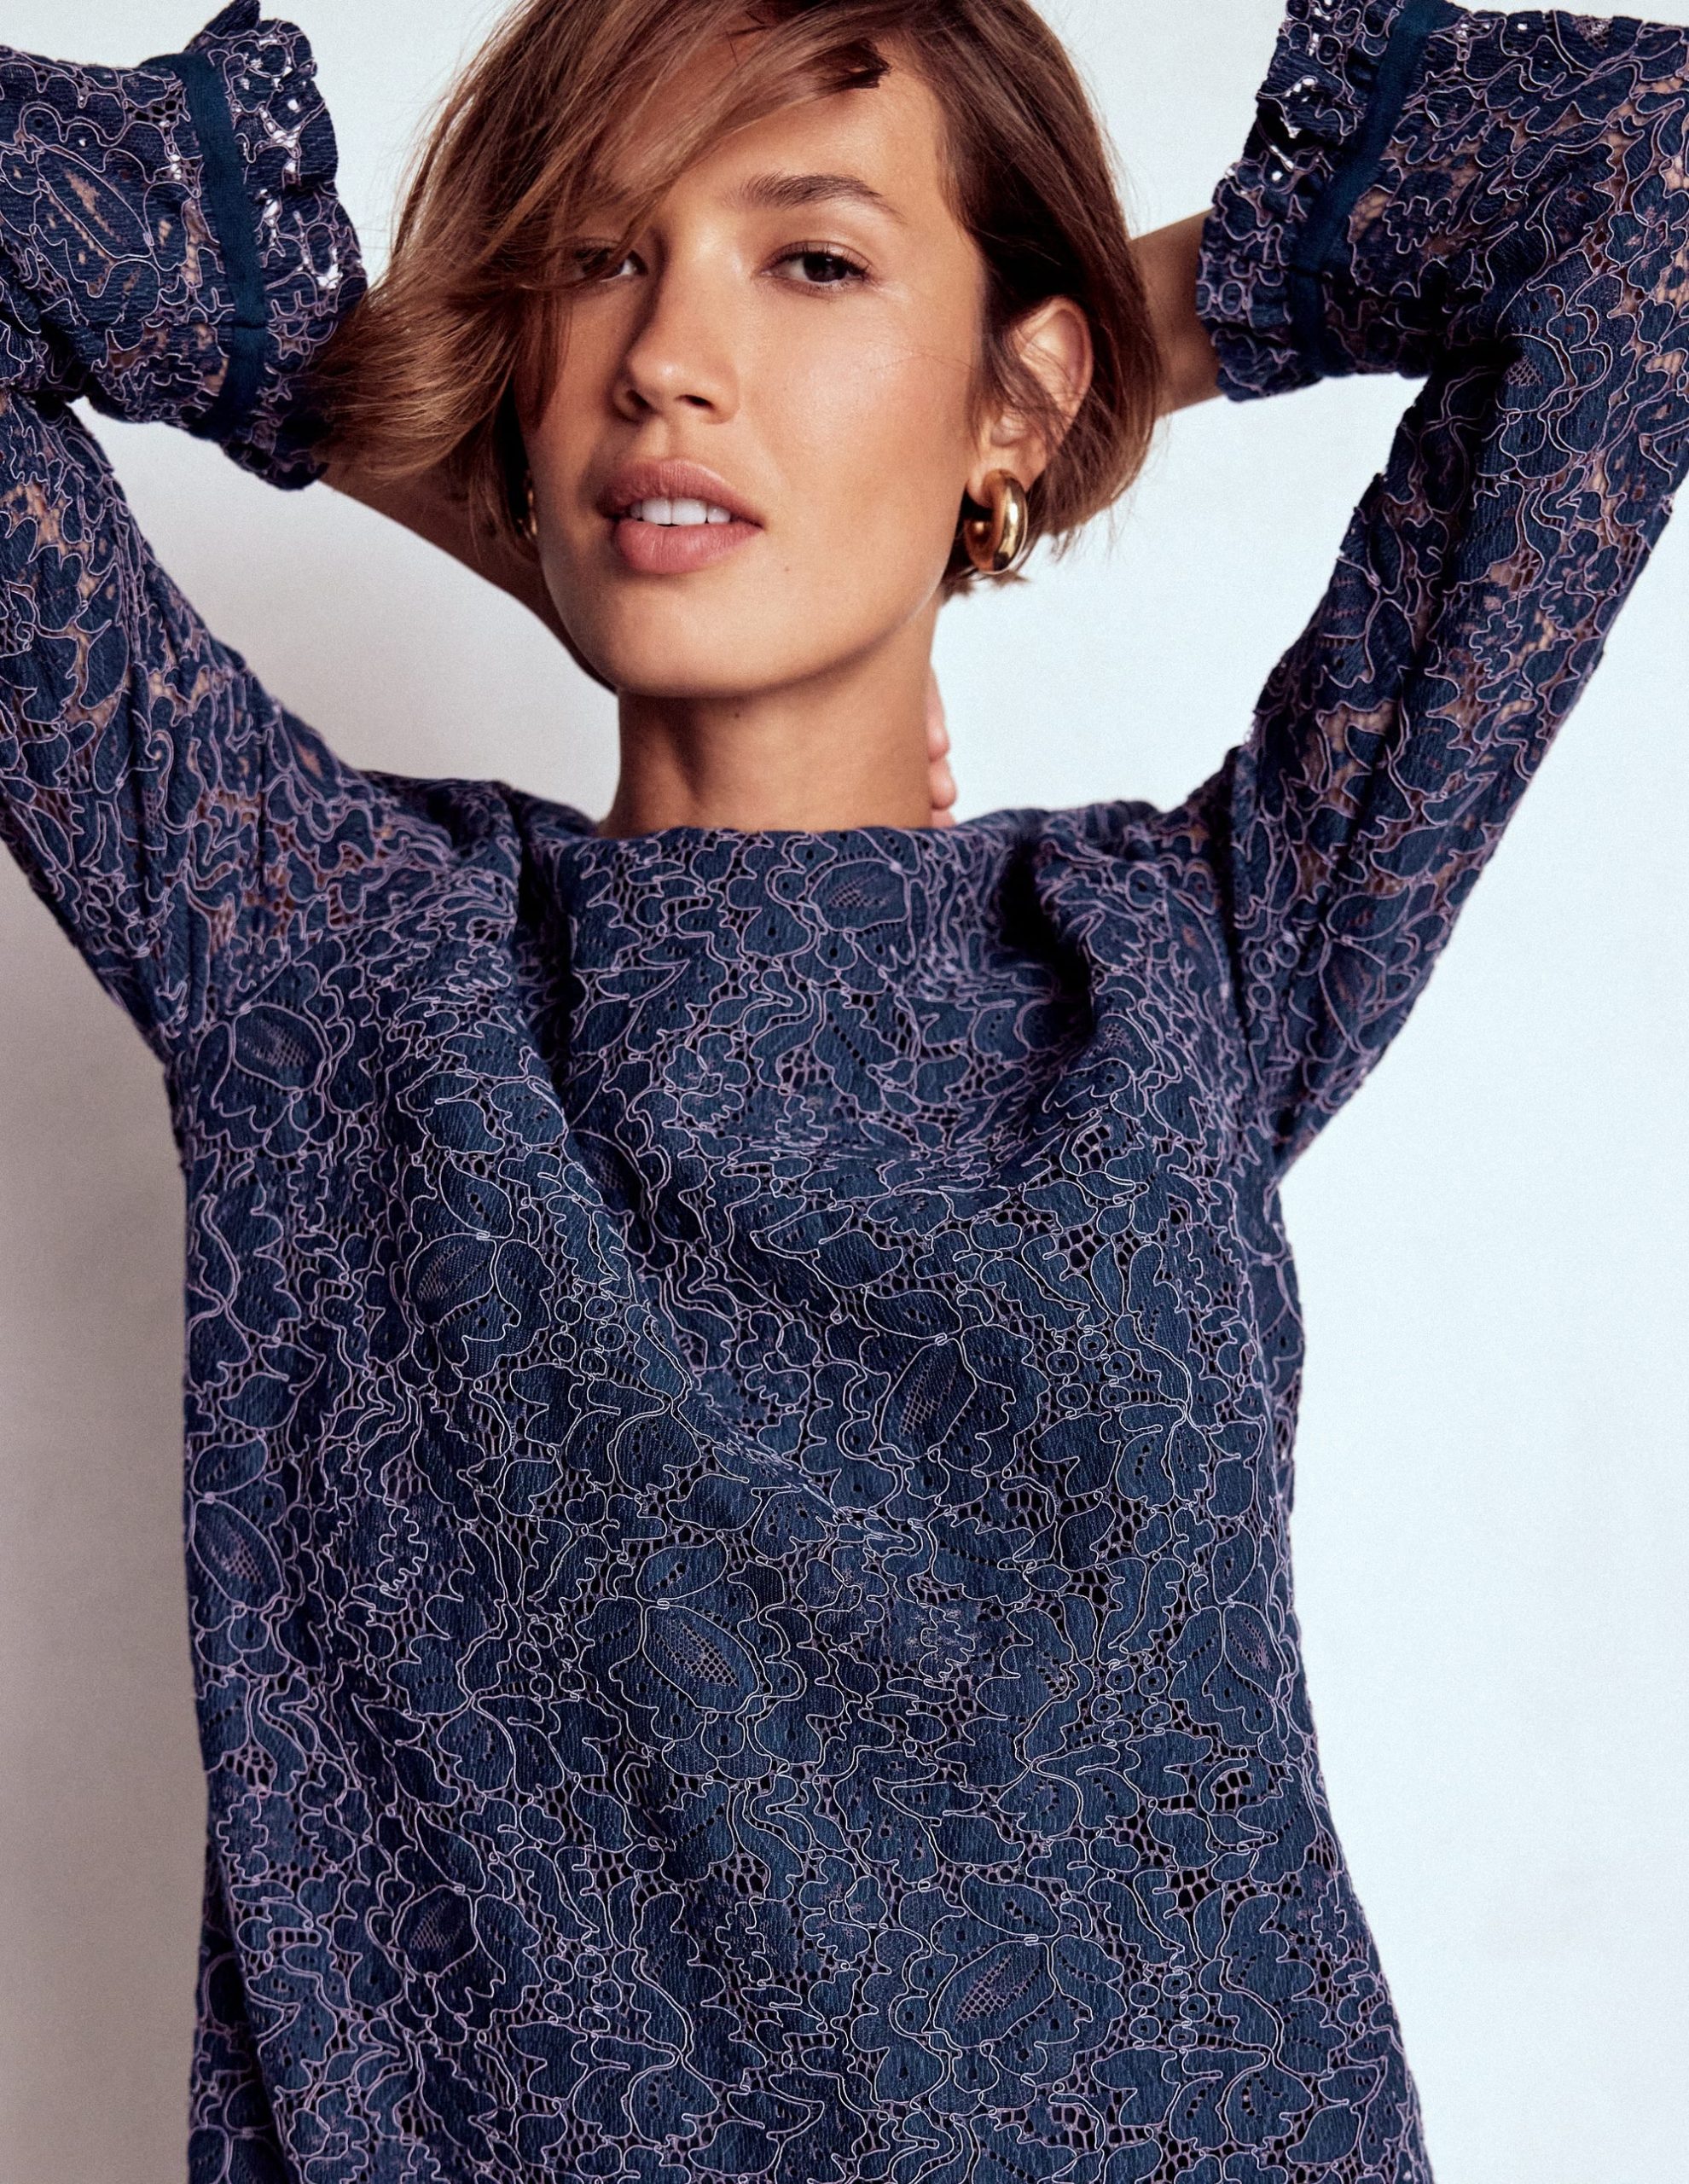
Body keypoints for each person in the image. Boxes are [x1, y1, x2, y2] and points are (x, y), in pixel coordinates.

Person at [1, 0, 1683, 2176]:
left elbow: (1650, 175)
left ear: (1016, 387)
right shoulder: (329, 956)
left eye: (811, 261)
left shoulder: (1183, 962)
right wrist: (472, 439)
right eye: (598, 261)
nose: (666, 355)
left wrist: (1082, 377)